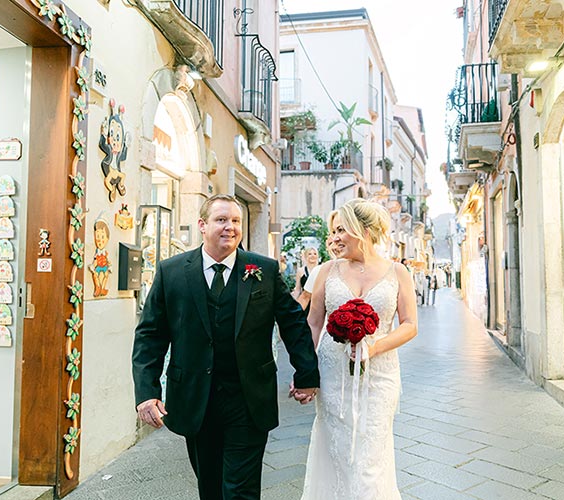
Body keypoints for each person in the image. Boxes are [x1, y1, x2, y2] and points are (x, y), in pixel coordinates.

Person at [132, 193, 319, 500]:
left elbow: (294, 324)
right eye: (221, 220)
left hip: (248, 398)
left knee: (240, 490)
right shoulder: (172, 272)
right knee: (210, 487)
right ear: (202, 225)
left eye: (235, 221)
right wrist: (147, 392)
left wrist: (306, 374)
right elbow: (150, 335)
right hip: (194, 398)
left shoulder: (264, 271)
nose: (230, 227)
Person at [300, 199, 417, 499]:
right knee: (336, 452)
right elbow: (314, 323)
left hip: (380, 376)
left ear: (362, 230)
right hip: (332, 374)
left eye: (341, 230)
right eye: (333, 231)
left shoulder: (398, 272)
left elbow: (409, 325)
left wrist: (375, 346)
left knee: (370, 457)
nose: (334, 238)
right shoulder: (327, 271)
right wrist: (305, 373)